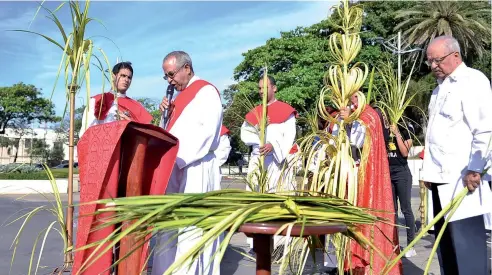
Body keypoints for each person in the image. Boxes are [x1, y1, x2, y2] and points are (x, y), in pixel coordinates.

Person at [421, 35, 492, 275]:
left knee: (467, 253)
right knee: (446, 251)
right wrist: (428, 172)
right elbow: (434, 136)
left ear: (455, 56)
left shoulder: (473, 81)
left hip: (462, 181)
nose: (433, 66)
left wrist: (476, 168)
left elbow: (485, 128)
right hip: (439, 182)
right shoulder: (438, 90)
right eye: (429, 61)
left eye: (437, 60)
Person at [152, 51, 223, 275]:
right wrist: (164, 115)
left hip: (196, 167)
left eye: (171, 74)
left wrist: (177, 157)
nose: (169, 80)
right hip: (175, 168)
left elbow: (206, 132)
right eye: (166, 76)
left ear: (187, 69)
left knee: (192, 229)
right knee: (170, 228)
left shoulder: (206, 91)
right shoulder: (177, 98)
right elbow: (169, 133)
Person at [338, 93, 402, 275]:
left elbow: (357, 141)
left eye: (355, 99)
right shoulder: (361, 116)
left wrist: (349, 120)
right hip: (354, 173)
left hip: (368, 176)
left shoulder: (369, 116)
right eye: (351, 101)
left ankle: (371, 266)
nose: (353, 103)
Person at [240, 75, 297, 250]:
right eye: (259, 88)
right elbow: (245, 134)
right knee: (256, 199)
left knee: (277, 199)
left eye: (264, 88)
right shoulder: (254, 111)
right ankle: (256, 241)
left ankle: (280, 243)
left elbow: (290, 135)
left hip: (276, 163)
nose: (261, 91)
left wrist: (274, 146)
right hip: (258, 160)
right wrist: (258, 133)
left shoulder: (285, 110)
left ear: (274, 88)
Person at [79, 62, 152, 137]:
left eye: (129, 77)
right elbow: (86, 133)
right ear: (113, 76)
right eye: (123, 76)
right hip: (104, 146)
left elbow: (148, 134)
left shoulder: (137, 106)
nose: (126, 80)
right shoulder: (98, 100)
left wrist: (131, 124)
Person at [385, 120, 417, 258]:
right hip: (388, 173)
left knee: (406, 209)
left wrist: (397, 133)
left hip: (402, 173)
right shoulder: (383, 127)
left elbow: (404, 153)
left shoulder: (406, 127)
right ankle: (394, 245)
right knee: (392, 212)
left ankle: (410, 245)